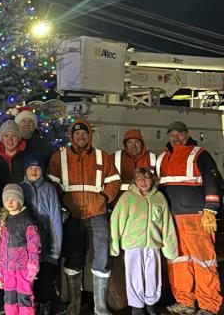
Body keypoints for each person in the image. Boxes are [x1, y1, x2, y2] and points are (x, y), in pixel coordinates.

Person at [47, 119, 121, 315]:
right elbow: (52, 182)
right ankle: (73, 308)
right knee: (73, 258)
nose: (81, 137)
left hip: (97, 215)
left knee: (101, 258)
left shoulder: (102, 157)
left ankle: (101, 309)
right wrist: (64, 201)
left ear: (89, 135)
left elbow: (114, 181)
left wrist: (104, 199)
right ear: (72, 136)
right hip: (72, 216)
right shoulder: (59, 157)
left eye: (84, 133)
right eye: (77, 134)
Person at [156, 121, 222, 315]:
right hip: (172, 219)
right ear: (168, 136)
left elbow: (213, 182)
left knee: (203, 261)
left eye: (179, 134)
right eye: (172, 134)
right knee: (178, 262)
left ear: (187, 134)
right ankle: (185, 302)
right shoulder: (162, 159)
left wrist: (211, 209)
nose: (175, 137)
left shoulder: (199, 154)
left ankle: (209, 304)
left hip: (197, 218)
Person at [110, 167, 178, 315]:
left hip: (153, 245)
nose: (143, 181)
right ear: (135, 181)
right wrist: (114, 244)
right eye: (139, 178)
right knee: (134, 276)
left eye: (146, 178)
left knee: (153, 276)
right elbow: (116, 221)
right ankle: (137, 307)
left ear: (152, 180)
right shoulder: (127, 197)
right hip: (133, 245)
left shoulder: (159, 197)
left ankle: (151, 304)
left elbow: (167, 224)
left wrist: (170, 248)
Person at [20, 153, 62, 315]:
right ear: (26, 170)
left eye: (37, 168)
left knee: (44, 279)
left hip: (45, 244)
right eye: (31, 168)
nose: (34, 171)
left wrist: (56, 248)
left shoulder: (49, 189)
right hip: (25, 247)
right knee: (28, 281)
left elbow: (55, 219)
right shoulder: (20, 188)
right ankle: (30, 307)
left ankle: (44, 305)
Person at [0, 183, 41, 315]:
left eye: (13, 199)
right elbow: (3, 244)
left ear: (20, 201)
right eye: (6, 200)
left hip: (23, 268)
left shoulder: (27, 221)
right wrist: (1, 261)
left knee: (24, 295)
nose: (9, 202)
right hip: (8, 268)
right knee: (10, 296)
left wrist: (33, 264)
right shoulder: (5, 220)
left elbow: (34, 244)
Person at [0, 120, 28, 205]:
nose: (10, 139)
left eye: (14, 135)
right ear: (2, 139)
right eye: (6, 136)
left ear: (19, 138)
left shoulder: (27, 158)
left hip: (23, 205)